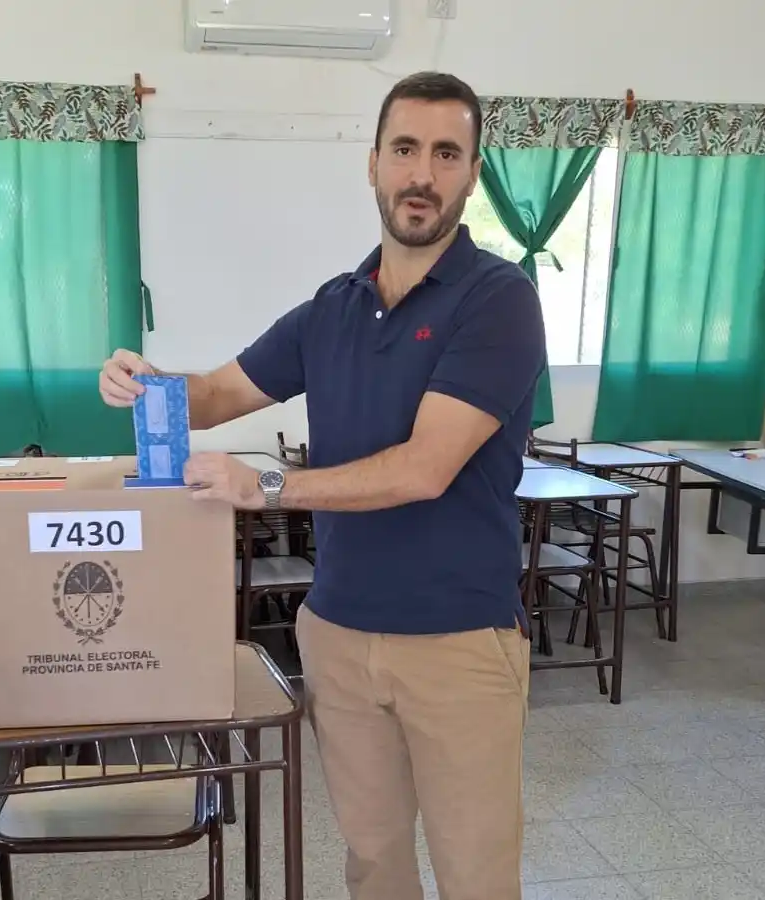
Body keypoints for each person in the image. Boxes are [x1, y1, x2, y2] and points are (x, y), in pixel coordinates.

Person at [99, 71, 546, 900]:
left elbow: (424, 468)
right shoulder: (331, 309)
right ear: (373, 163)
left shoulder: (500, 300)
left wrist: (264, 488)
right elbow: (215, 396)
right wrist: (145, 381)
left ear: (473, 170)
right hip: (338, 638)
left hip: (456, 645)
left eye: (446, 153)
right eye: (405, 149)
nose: (423, 174)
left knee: (475, 874)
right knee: (374, 863)